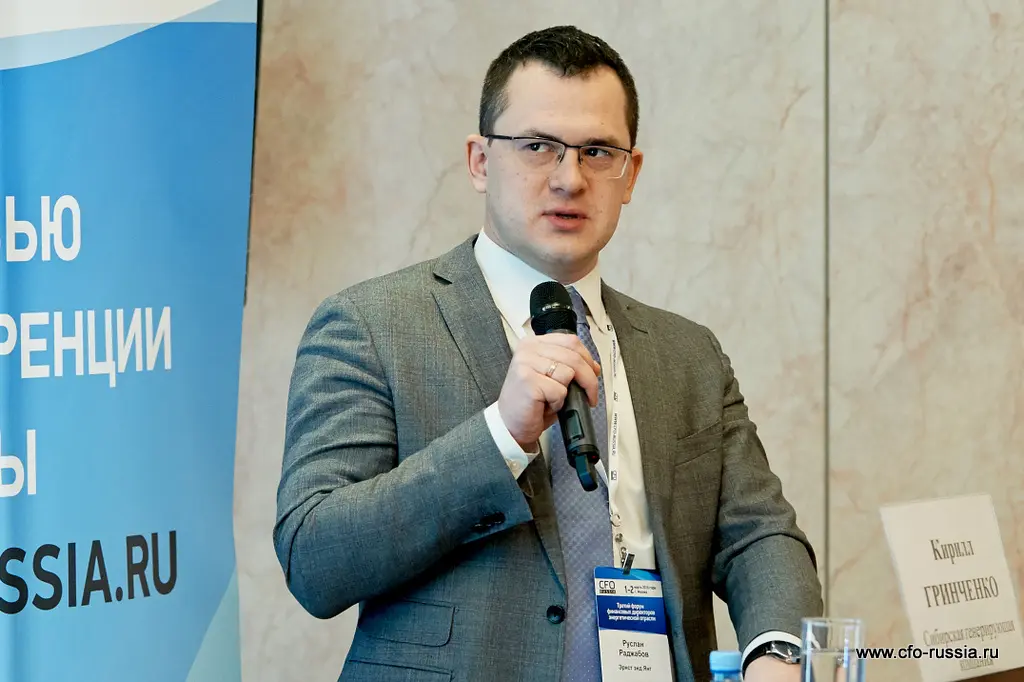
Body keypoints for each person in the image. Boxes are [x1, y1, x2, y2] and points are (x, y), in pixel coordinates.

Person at [273, 25, 823, 682]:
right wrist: (499, 437)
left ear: (630, 174)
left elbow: (761, 534)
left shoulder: (688, 355)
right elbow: (314, 560)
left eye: (597, 151)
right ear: (480, 161)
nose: (569, 178)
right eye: (537, 146)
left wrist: (777, 653)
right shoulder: (372, 324)